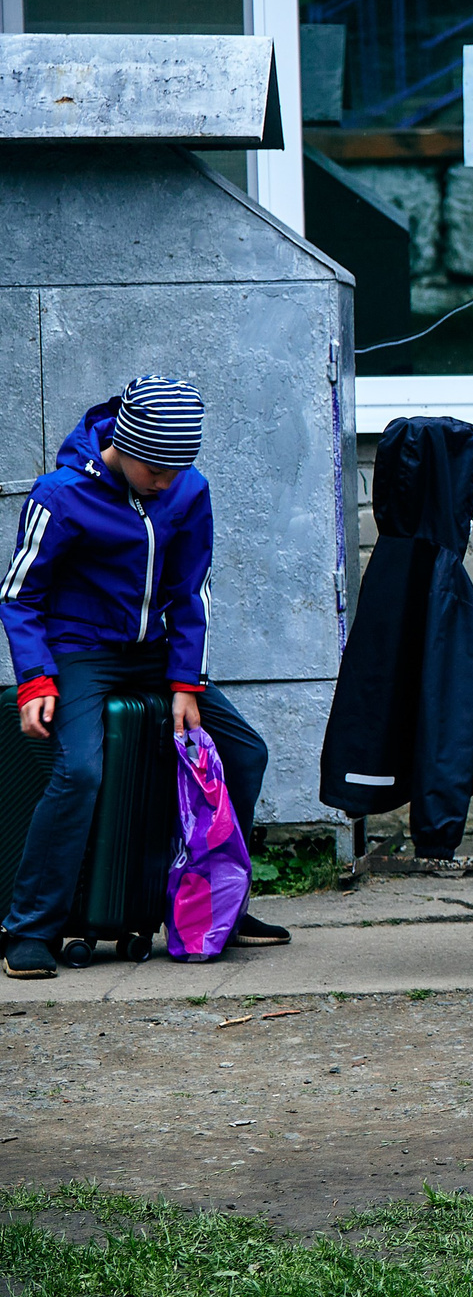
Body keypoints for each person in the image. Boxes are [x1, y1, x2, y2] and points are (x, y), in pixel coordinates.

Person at [2, 378, 283, 978]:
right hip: (80, 651)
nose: (165, 480)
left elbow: (192, 590)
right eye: (154, 467)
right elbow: (20, 597)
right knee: (78, 772)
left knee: (244, 754)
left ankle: (218, 906)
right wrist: (35, 681)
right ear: (123, 446)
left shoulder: (188, 491)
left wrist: (187, 683)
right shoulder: (60, 495)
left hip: (155, 653)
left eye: (177, 468)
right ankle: (30, 928)